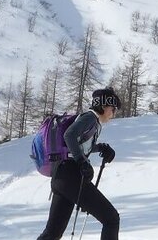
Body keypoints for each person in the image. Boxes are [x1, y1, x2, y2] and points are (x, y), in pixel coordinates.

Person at [36, 88, 121, 240]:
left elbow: (80, 145)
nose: (114, 113)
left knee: (52, 234)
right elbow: (69, 135)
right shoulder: (89, 118)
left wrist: (100, 148)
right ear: (103, 106)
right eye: (113, 108)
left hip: (61, 177)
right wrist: (82, 161)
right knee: (111, 219)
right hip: (70, 177)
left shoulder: (92, 121)